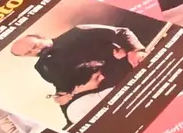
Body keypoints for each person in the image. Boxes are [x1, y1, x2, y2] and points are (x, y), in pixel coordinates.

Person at [10, 23, 144, 108]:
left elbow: (121, 32)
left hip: (127, 69)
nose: (36, 51)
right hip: (101, 93)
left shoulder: (77, 32)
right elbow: (64, 87)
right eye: (29, 53)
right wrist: (62, 96)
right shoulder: (42, 67)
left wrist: (136, 50)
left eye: (34, 46)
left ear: (41, 37)